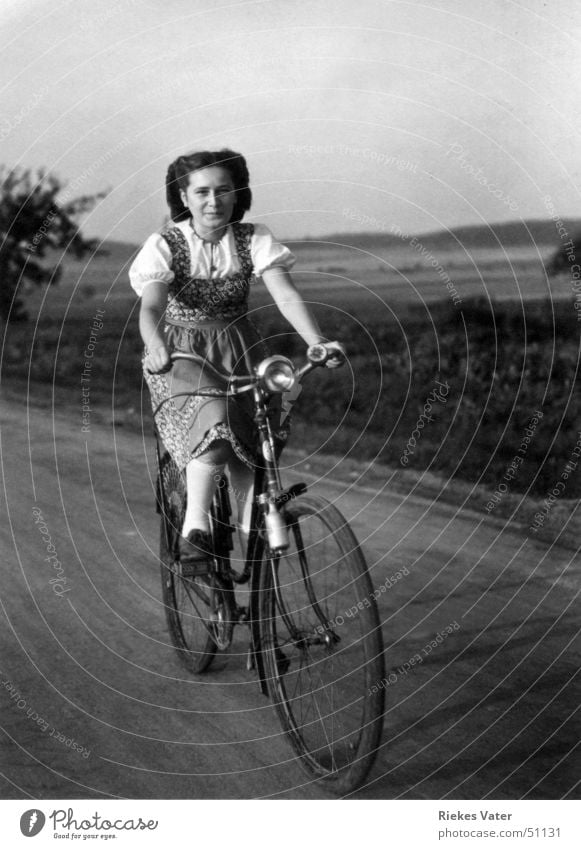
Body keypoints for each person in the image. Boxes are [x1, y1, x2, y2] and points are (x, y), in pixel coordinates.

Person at [129, 148, 344, 570]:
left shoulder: (253, 238)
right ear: (183, 197)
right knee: (217, 426)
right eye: (203, 192)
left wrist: (318, 341)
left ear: (237, 194)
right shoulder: (166, 243)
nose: (214, 201)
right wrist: (155, 347)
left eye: (224, 190)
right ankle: (195, 530)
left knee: (254, 444)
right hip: (180, 351)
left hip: (241, 346)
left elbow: (284, 293)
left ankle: (253, 540)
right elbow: (151, 307)